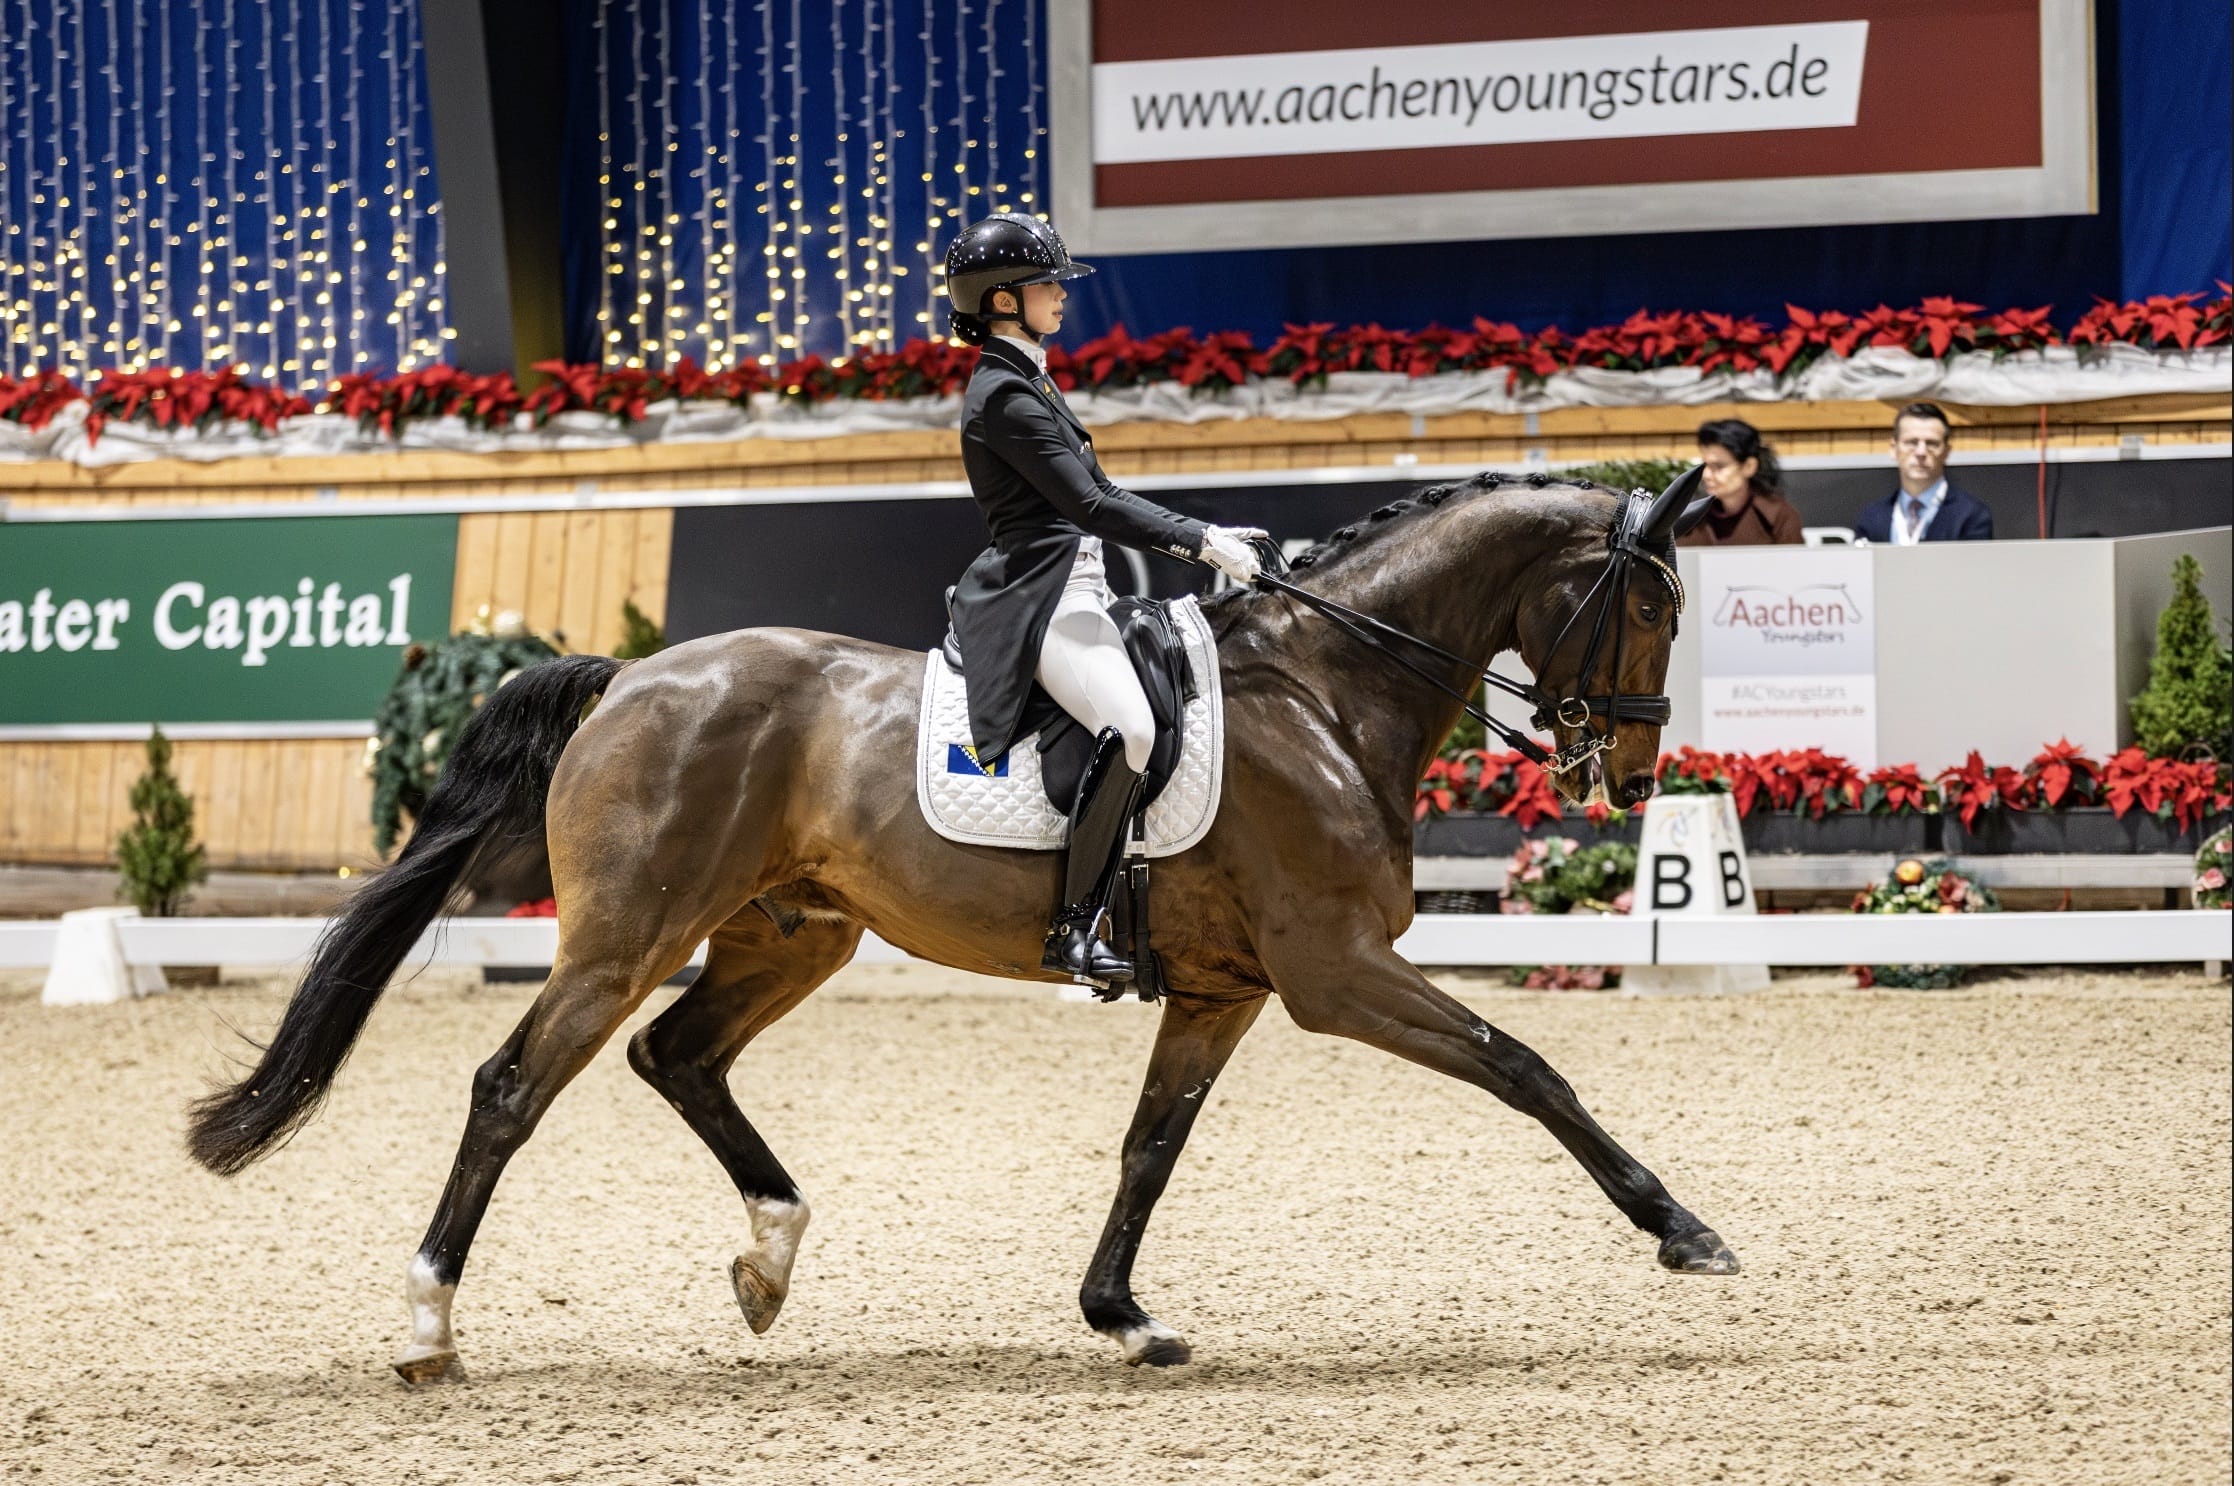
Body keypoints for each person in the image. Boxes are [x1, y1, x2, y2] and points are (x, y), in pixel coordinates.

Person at [942, 213, 1265, 987]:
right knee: (1133, 730)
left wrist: (1206, 532)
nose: (1061, 295)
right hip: (1039, 594)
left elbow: (1097, 495)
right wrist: (1199, 541)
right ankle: (1073, 928)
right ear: (1002, 301)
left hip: (1077, 585)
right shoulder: (1003, 394)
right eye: (1047, 283)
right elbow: (1090, 503)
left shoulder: (1029, 377)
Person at [1852, 402, 1995, 543]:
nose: (1921, 452)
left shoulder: (1971, 515)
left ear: (1946, 452)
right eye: (1912, 442)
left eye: (1931, 443)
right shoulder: (1872, 516)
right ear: (1893, 449)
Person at [1677, 418, 1803, 547]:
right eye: (1705, 465)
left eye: (1719, 466)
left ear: (1749, 467)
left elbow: (1796, 565)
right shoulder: (1692, 518)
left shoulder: (1778, 515)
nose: (1706, 475)